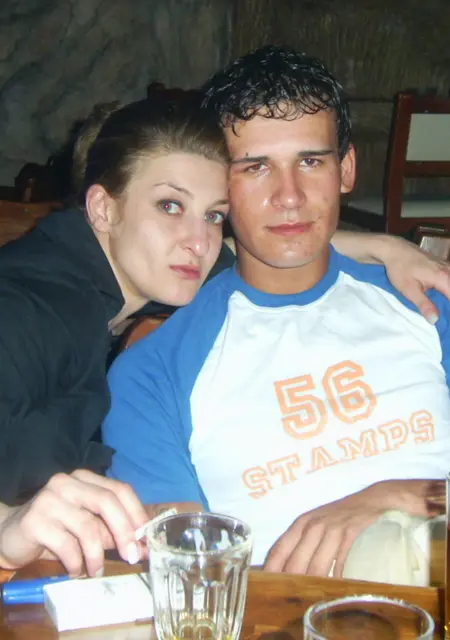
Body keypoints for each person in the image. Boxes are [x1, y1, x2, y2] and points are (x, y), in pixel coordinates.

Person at [0, 86, 449, 577]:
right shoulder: (29, 308)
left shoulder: (129, 286)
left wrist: (383, 246)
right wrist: (6, 530)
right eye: (170, 206)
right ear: (104, 210)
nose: (199, 242)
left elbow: (267, 239)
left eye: (214, 215)